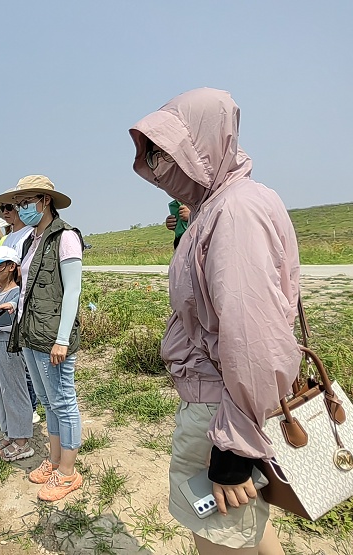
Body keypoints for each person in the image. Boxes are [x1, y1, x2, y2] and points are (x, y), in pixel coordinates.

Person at [129, 87, 300, 554]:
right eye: (152, 154)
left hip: (221, 411)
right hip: (227, 403)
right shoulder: (222, 206)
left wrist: (233, 448)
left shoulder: (234, 211)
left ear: (203, 145)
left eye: (166, 151)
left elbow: (252, 335)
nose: (158, 166)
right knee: (247, 528)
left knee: (219, 533)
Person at [0, 175, 84, 502]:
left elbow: (72, 291)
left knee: (63, 401)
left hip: (52, 336)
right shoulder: (30, 241)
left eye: (26, 202)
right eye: (18, 203)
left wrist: (62, 339)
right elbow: (30, 288)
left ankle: (68, 472)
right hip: (30, 331)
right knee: (48, 402)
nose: (21, 208)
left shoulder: (66, 237)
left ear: (46, 200)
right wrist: (15, 305)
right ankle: (55, 459)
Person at [0, 190, 40, 424]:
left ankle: (29, 407)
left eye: (9, 207)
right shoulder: (6, 239)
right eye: (2, 209)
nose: (5, 212)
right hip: (4, 296)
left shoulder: (30, 234)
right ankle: (10, 406)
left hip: (20, 297)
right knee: (6, 363)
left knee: (23, 361)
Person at [0, 246, 35, 461]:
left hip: (12, 347)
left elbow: (16, 323)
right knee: (1, 390)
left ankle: (22, 441)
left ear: (12, 267)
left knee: (15, 390)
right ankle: (11, 432)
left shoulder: (17, 293)